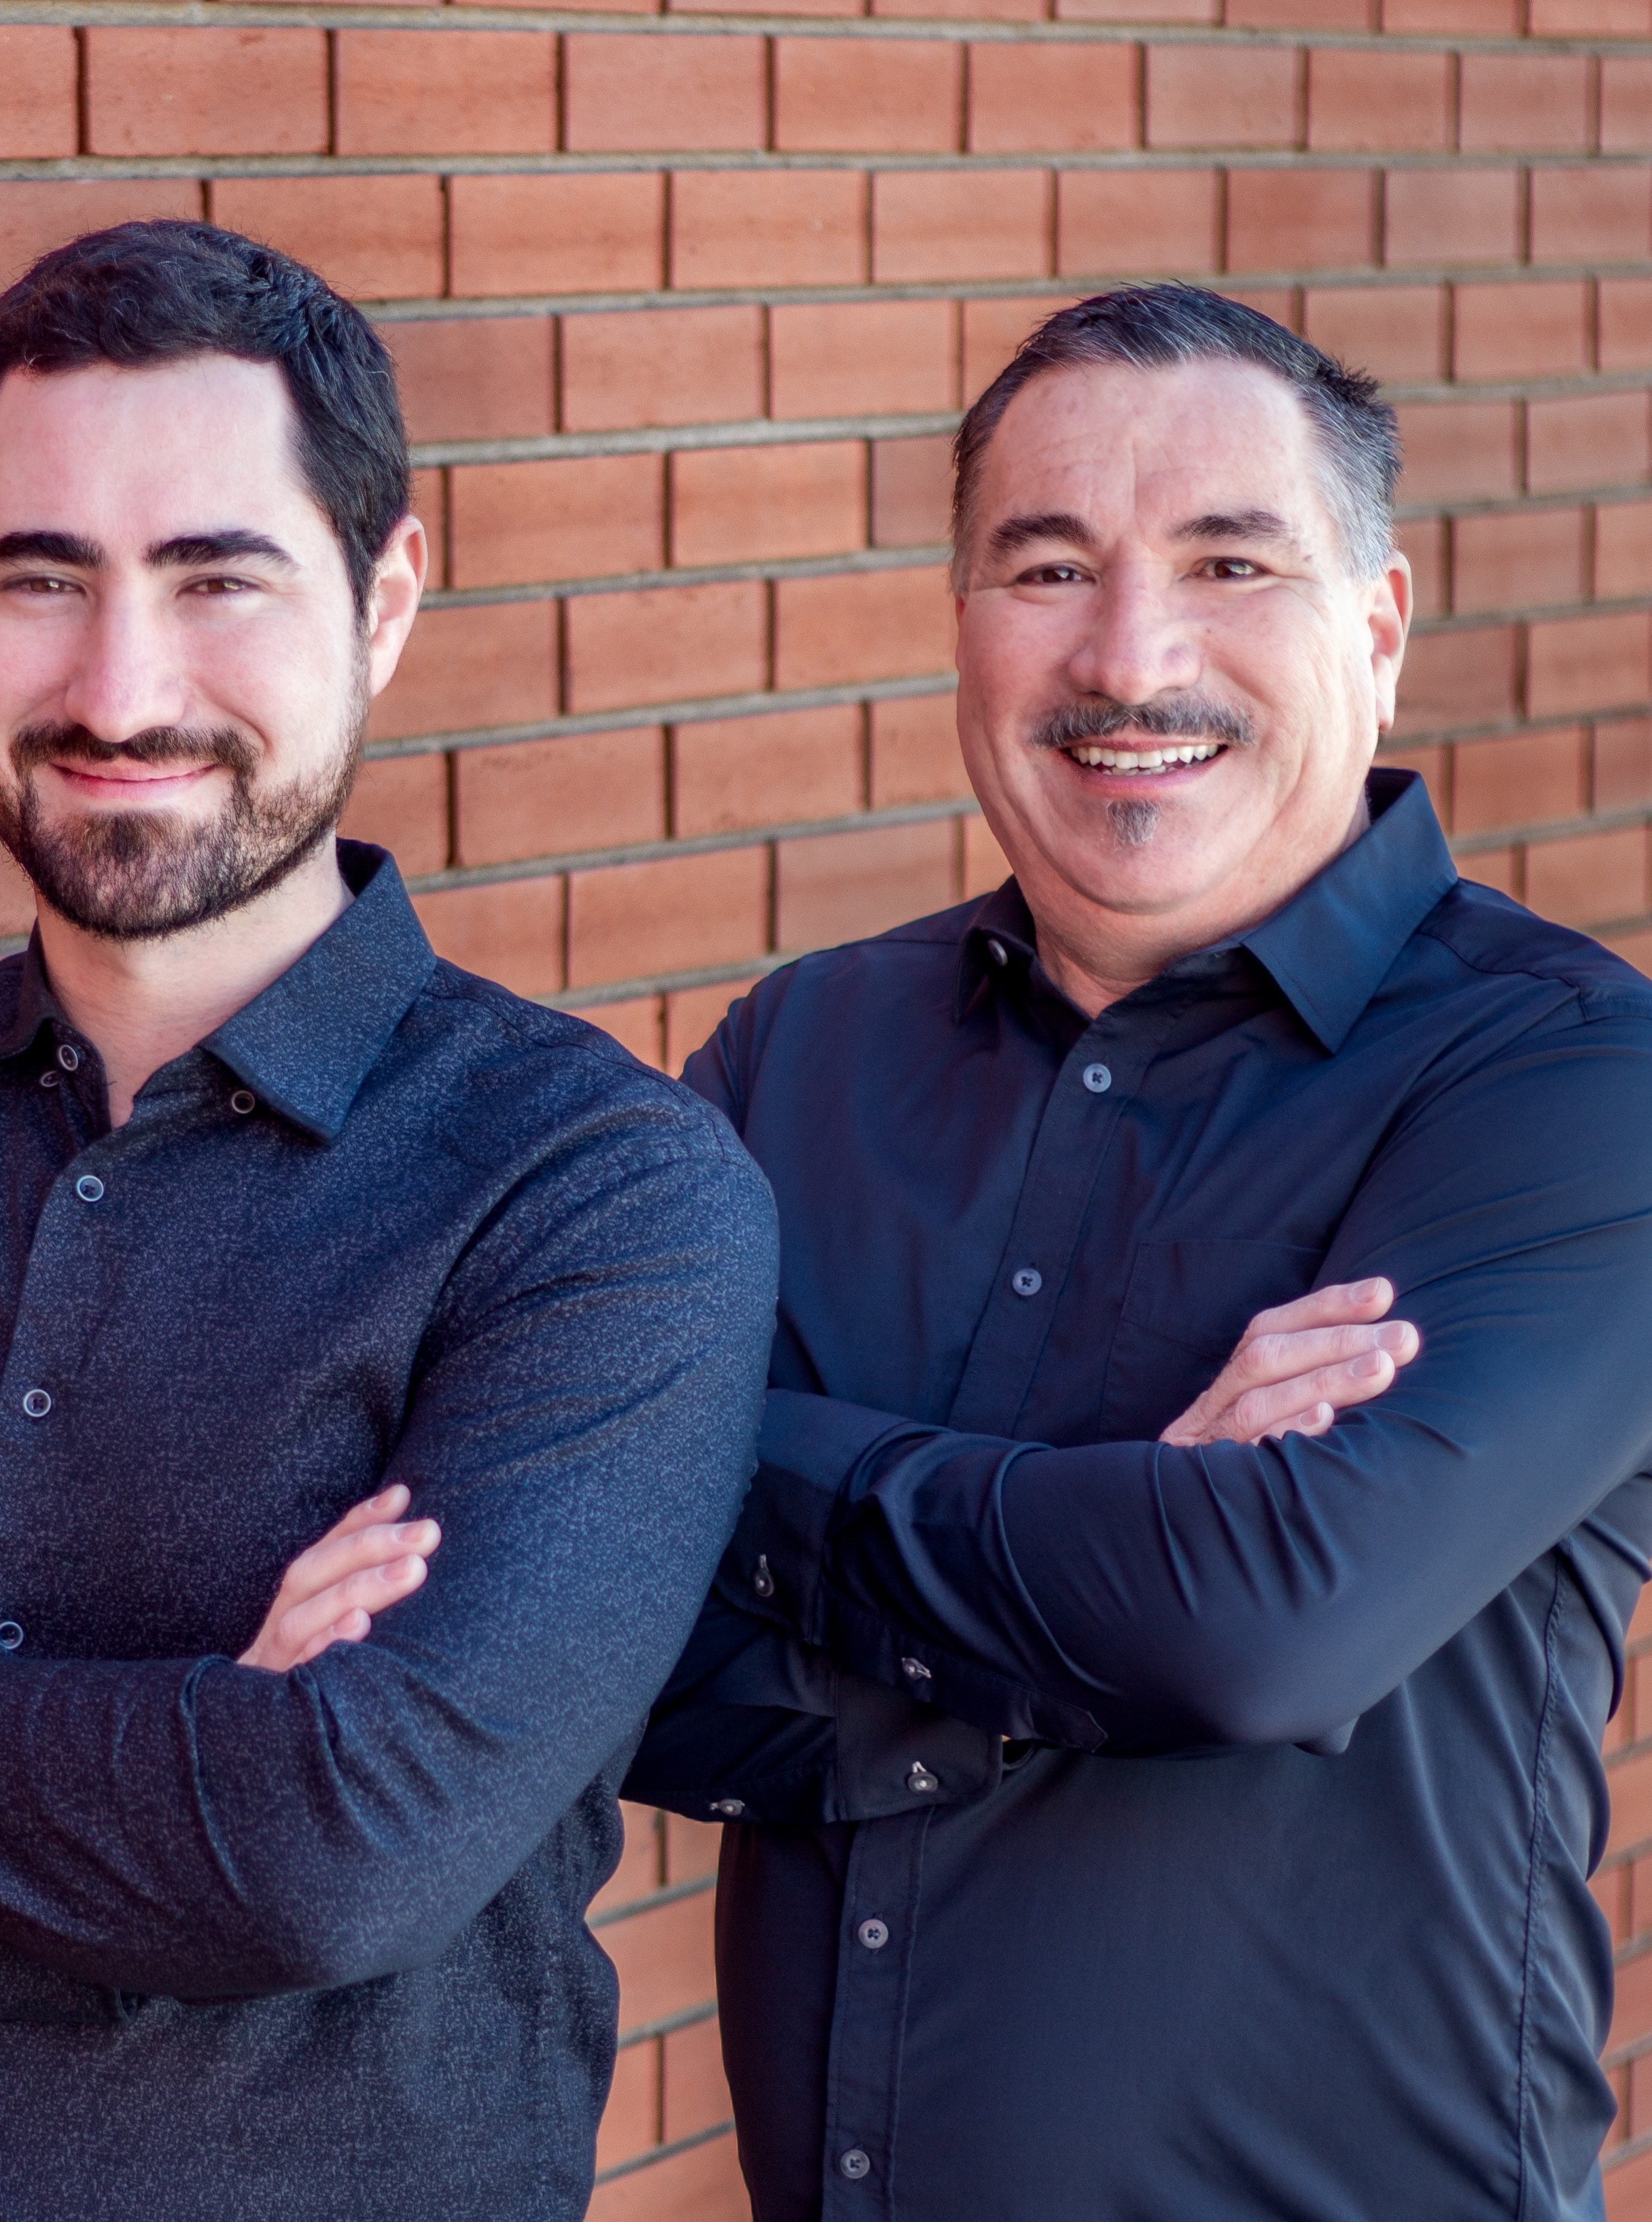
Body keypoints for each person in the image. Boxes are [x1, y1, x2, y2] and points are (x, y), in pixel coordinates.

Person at [0, 221, 781, 2221]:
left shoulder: (597, 1196)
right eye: (42, 579)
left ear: (384, 604)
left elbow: (334, 1855)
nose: (120, 689)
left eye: (218, 578)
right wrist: (182, 1839)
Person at [618, 285, 1652, 2218]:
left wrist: (728, 1478)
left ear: (1379, 625)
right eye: (1049, 568)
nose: (1130, 656)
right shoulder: (801, 1054)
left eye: (1229, 562)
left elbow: (1254, 1631)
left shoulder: (1575, 1085)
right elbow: (572, 1626)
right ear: (961, 621)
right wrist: (1116, 1549)